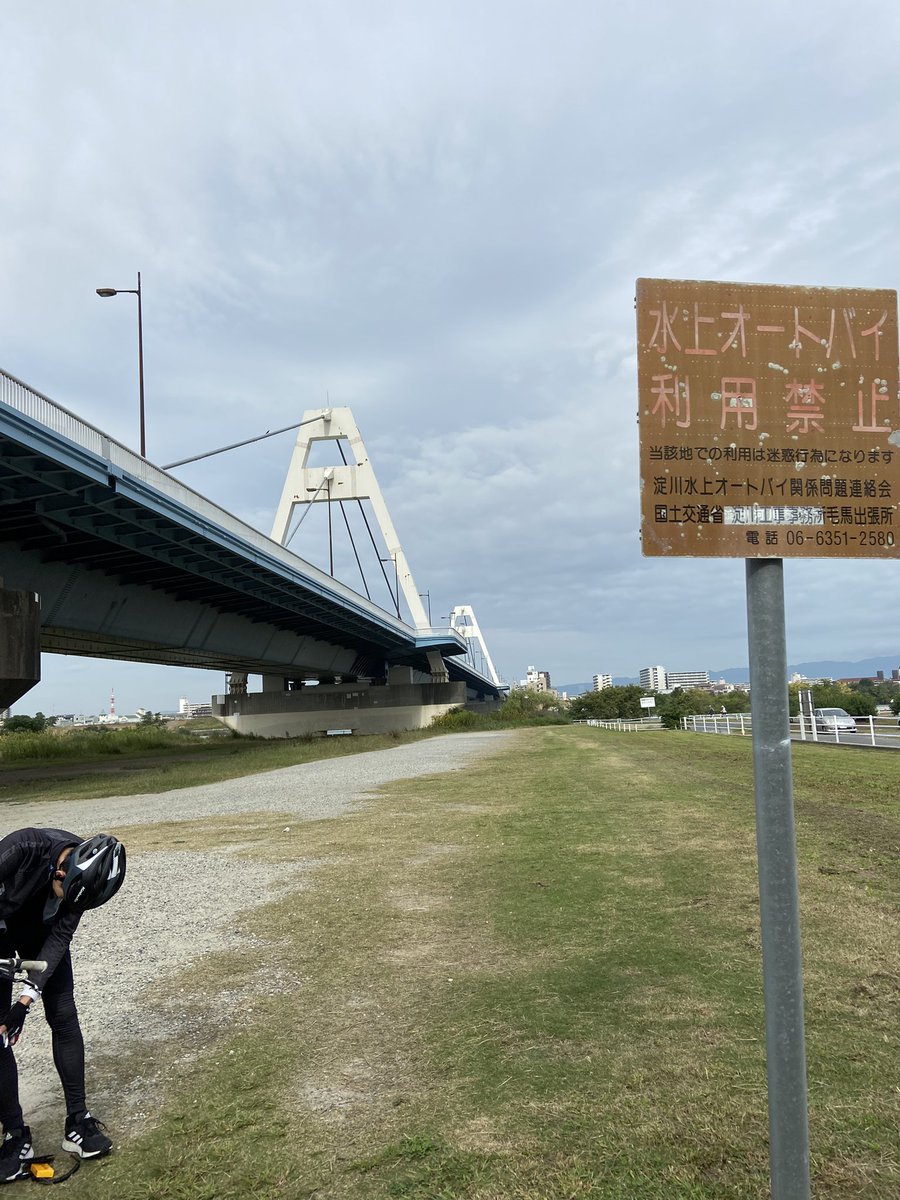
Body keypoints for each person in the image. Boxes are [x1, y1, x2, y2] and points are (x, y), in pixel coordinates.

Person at [0, 828, 126, 1180]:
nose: (68, 905)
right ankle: (14, 1135)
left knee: (64, 1016)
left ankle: (78, 1120)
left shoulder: (81, 885)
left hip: (39, 931)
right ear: (60, 871)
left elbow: (59, 938)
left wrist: (24, 1002)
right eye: (64, 895)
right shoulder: (21, 849)